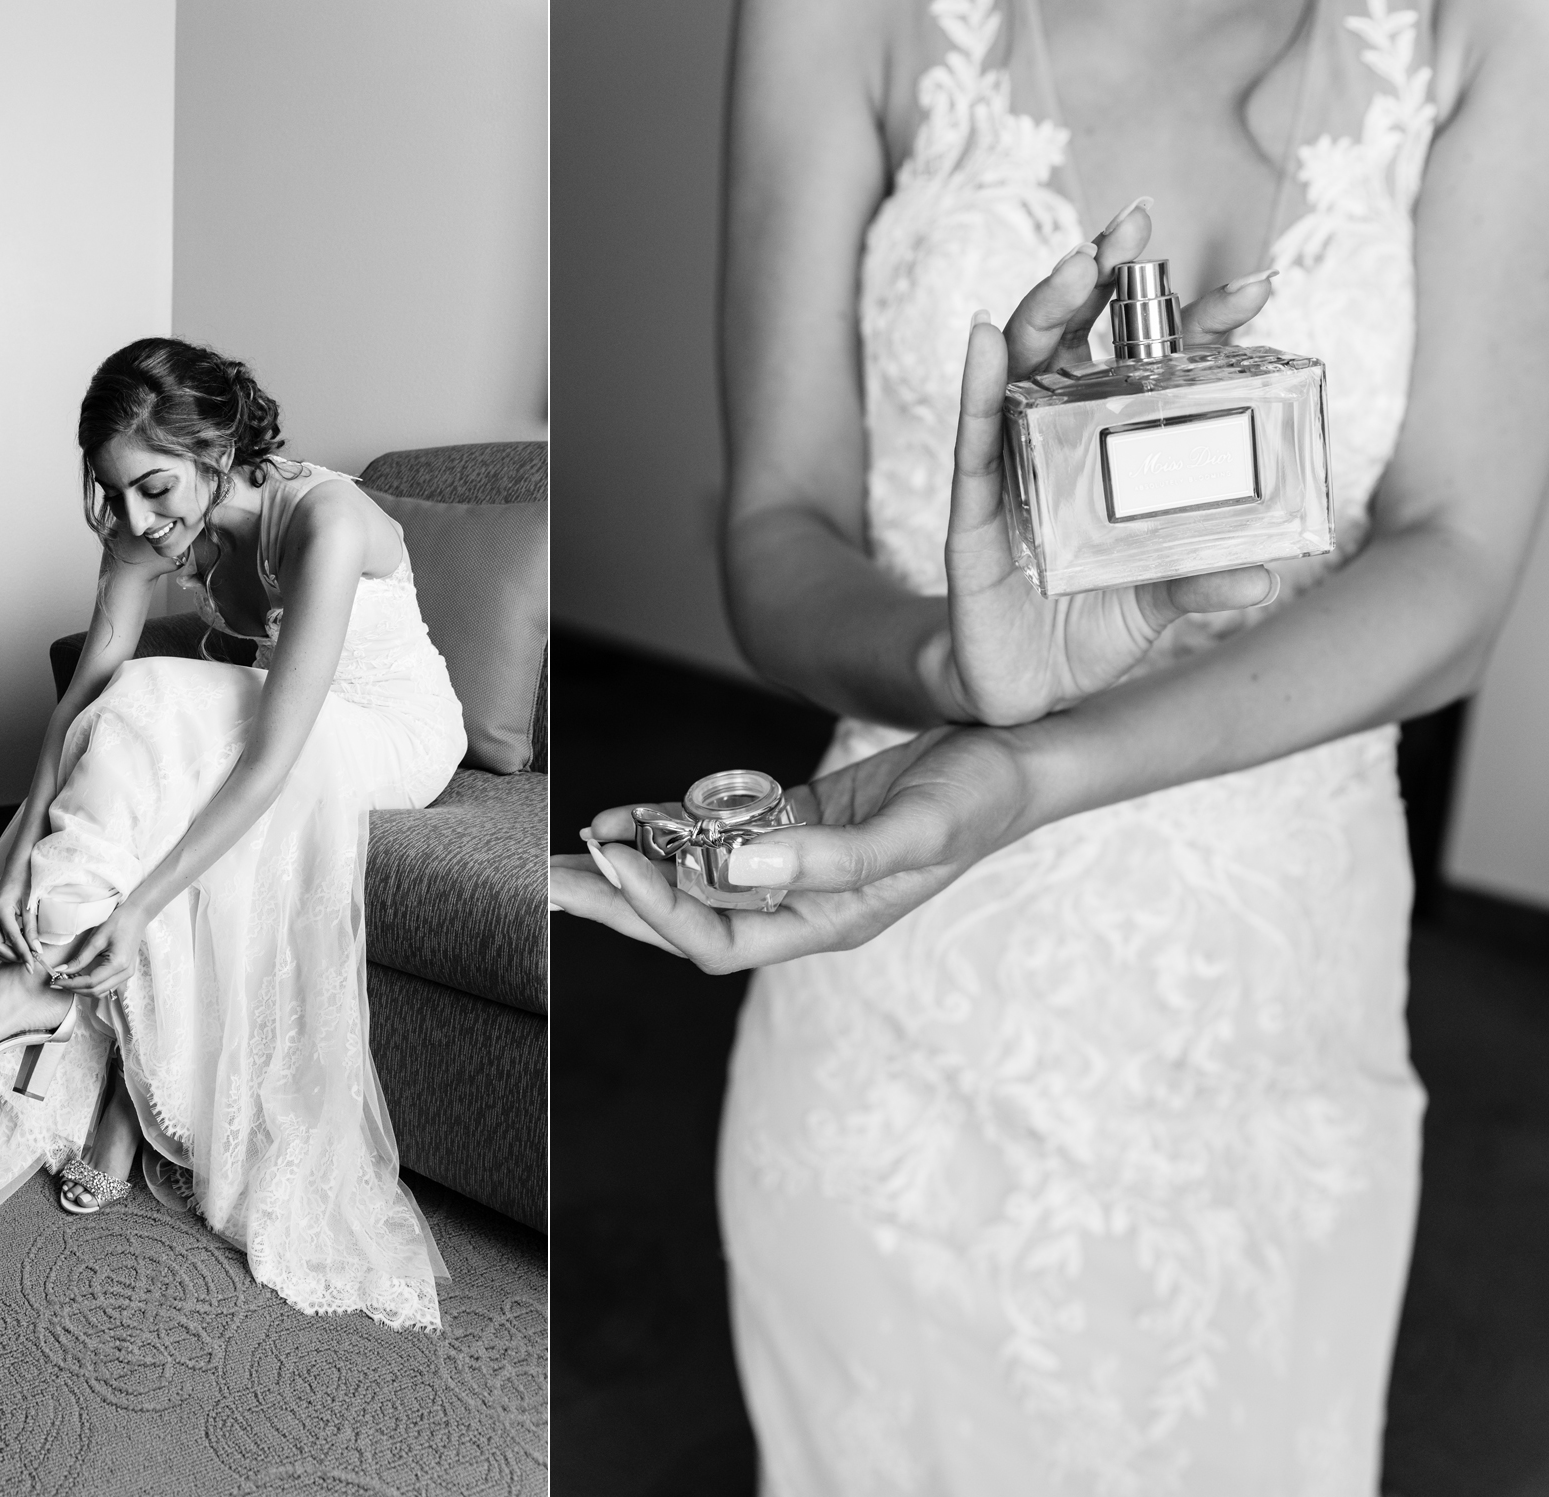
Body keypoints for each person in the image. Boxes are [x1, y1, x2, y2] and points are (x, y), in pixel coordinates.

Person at [553, 0, 1549, 1486]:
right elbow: (778, 528)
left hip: (1269, 996)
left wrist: (1036, 768)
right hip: (905, 995)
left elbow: (1460, 562)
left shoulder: (1484, 29)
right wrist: (958, 665)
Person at [0, 338, 468, 1332]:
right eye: (114, 494)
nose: (136, 521)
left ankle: (55, 1015)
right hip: (276, 722)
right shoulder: (143, 521)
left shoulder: (326, 522)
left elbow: (271, 761)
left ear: (218, 447)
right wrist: (22, 870)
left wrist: (144, 906)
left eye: (157, 489)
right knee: (131, 700)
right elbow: (82, 704)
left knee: (171, 706)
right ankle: (70, 1011)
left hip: (389, 734)